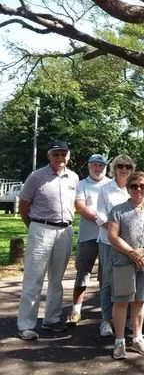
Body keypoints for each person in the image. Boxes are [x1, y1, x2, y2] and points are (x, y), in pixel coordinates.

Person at [16, 141, 79, 340]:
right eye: (56, 154)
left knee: (57, 279)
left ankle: (52, 319)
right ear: (49, 156)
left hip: (65, 230)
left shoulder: (74, 177)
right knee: (34, 279)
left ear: (68, 156)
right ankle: (26, 325)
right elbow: (24, 206)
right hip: (41, 228)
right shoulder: (36, 176)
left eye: (63, 154)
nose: (60, 158)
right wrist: (35, 227)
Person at [108, 171, 144, 360]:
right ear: (128, 188)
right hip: (123, 261)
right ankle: (119, 341)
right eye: (134, 186)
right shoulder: (118, 210)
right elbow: (113, 237)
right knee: (122, 300)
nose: (138, 189)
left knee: (139, 300)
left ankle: (137, 338)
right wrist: (132, 252)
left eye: (143, 186)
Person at [66, 154, 111, 327]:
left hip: (108, 237)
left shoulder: (111, 184)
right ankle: (76, 310)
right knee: (83, 273)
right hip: (88, 236)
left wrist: (110, 227)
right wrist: (103, 221)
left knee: (106, 276)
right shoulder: (82, 184)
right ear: (89, 166)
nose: (98, 168)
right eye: (94, 164)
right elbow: (81, 207)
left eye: (101, 165)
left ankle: (106, 315)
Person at [95, 154, 136, 337]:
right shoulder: (105, 189)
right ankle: (105, 320)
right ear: (114, 168)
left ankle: (125, 318)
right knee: (108, 281)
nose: (124, 169)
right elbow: (100, 216)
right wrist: (114, 231)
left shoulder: (134, 189)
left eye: (128, 166)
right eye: (120, 166)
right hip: (107, 241)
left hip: (130, 243)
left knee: (128, 280)